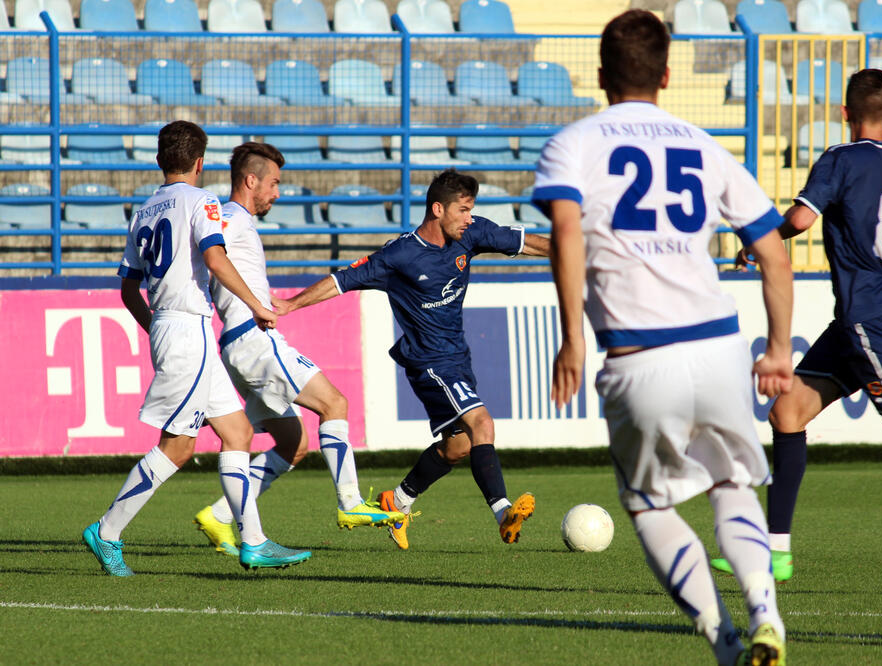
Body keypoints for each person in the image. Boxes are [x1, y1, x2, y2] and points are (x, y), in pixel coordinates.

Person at [535, 10, 790, 665]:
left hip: (640, 357)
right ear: (668, 75)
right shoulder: (704, 145)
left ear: (599, 75)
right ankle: (769, 618)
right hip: (718, 347)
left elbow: (567, 233)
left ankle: (726, 644)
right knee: (732, 485)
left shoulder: (574, 143)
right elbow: (774, 252)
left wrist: (571, 339)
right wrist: (780, 348)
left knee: (649, 505)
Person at [710, 68, 882, 584]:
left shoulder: (839, 159)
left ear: (843, 113)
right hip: (859, 319)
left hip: (869, 321)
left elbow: (799, 221)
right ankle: (772, 552)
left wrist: (759, 243)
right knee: (788, 412)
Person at [82, 121, 311, 576]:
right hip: (190, 328)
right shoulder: (202, 200)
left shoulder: (143, 211)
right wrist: (255, 305)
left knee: (238, 434)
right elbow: (214, 256)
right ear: (201, 162)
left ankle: (254, 542)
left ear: (159, 159)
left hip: (173, 328)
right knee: (178, 446)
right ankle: (107, 530)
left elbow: (128, 290)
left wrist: (155, 327)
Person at [278, 169, 550, 550]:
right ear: (438, 209)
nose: (469, 218)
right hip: (428, 361)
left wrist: (575, 255)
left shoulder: (471, 234)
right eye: (463, 210)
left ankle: (398, 501)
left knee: (460, 447)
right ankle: (503, 512)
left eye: (472, 210)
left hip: (457, 356)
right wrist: (290, 304)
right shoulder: (399, 254)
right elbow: (341, 280)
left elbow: (527, 244)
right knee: (481, 423)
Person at [191, 142, 405, 558]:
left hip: (239, 344)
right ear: (250, 180)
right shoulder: (231, 218)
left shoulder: (237, 220)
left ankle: (219, 515)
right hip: (254, 339)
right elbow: (207, 253)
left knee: (293, 445)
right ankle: (350, 503)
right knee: (334, 404)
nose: (277, 192)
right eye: (273, 183)